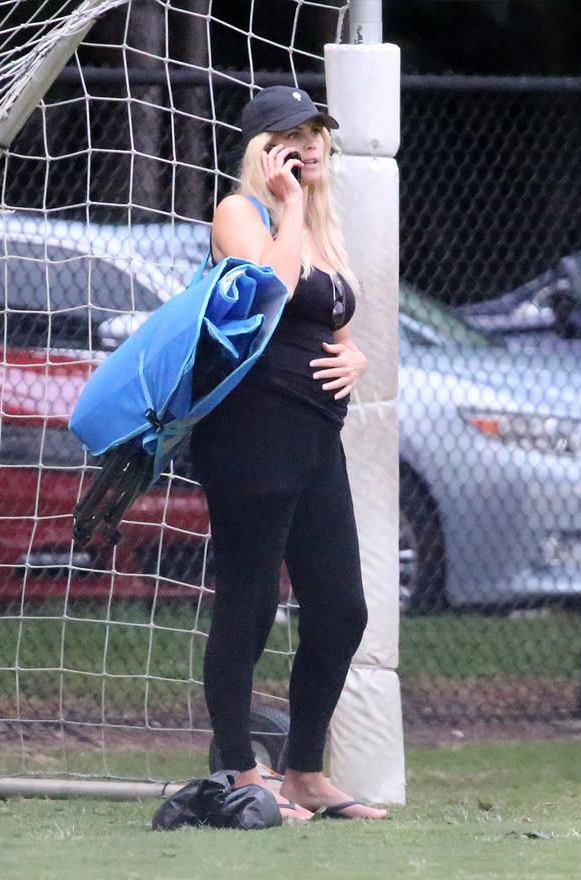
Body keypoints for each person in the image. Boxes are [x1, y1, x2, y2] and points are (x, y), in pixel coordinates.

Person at [188, 86, 388, 822]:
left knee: (341, 609)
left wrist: (356, 358)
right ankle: (241, 769)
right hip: (252, 431)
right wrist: (290, 203)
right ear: (263, 150)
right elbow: (267, 293)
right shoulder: (241, 214)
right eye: (291, 134)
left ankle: (304, 770)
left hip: (315, 434)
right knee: (248, 600)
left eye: (316, 132)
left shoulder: (324, 227)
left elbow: (326, 325)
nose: (309, 144)